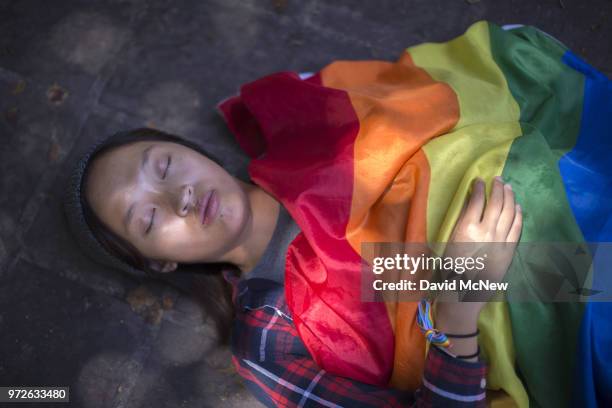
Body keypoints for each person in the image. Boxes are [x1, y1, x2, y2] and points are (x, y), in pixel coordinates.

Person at [63, 127, 522, 407]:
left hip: (544, 177)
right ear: (161, 263)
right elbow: (569, 279)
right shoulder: (268, 343)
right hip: (551, 301)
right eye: (148, 218)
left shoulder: (318, 135)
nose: (178, 196)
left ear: (188, 148)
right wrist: (458, 312)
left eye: (163, 166)